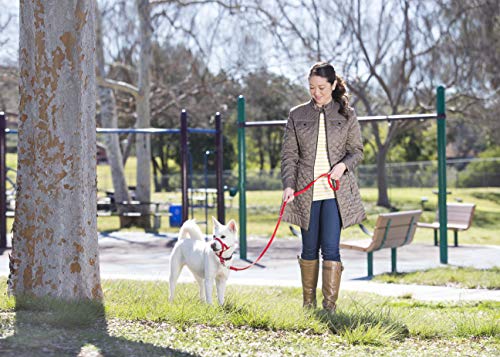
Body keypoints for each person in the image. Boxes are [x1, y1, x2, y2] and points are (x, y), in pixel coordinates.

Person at [280, 62, 365, 312]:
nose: (316, 93)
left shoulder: (346, 114)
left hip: (335, 194)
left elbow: (356, 151)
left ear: (333, 85)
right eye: (311, 88)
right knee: (308, 248)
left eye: (321, 87)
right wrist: (288, 185)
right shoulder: (297, 115)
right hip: (307, 193)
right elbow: (289, 156)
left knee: (330, 248)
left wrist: (341, 167)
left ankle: (330, 308)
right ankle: (308, 305)